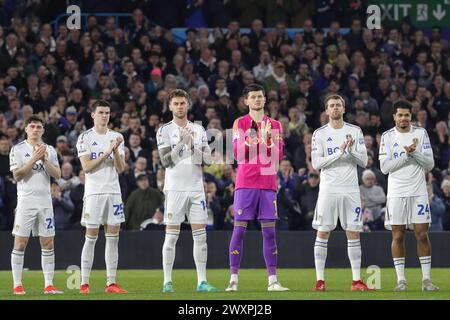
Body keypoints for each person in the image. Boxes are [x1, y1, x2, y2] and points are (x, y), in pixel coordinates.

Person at [226, 83, 288, 292]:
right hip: (246, 182)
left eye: (260, 96)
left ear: (264, 99)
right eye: (253, 97)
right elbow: (237, 152)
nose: (257, 100)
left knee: (269, 233)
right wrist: (262, 142)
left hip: (268, 182)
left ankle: (272, 280)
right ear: (246, 101)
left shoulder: (275, 125)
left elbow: (278, 155)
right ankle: (233, 279)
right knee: (239, 231)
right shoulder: (240, 123)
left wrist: (260, 141)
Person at [156, 89, 218, 293]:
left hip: (195, 189)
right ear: (170, 106)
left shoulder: (198, 130)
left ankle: (202, 281)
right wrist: (182, 142)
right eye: (176, 103)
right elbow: (166, 162)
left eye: (183, 103)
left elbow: (207, 160)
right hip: (174, 189)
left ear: (188, 105)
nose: (180, 106)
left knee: (200, 237)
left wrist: (191, 144)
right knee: (171, 237)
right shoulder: (164, 130)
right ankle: (167, 282)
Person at [311, 94, 372, 291]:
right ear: (326, 110)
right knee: (323, 231)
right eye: (332, 105)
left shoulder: (355, 131)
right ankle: (320, 281)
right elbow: (316, 163)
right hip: (329, 190)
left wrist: (350, 150)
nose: (335, 108)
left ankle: (356, 281)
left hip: (351, 189)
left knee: (353, 232)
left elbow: (364, 162)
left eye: (338, 105)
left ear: (344, 109)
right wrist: (339, 152)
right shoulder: (319, 134)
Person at [379, 100, 439, 291]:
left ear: (410, 116)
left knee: (422, 234)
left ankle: (426, 280)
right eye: (400, 115)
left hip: (418, 192)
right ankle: (401, 280)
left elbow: (429, 164)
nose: (403, 118)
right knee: (398, 235)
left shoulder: (421, 134)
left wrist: (414, 154)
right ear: (394, 117)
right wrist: (406, 156)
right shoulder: (387, 137)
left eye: (406, 115)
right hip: (396, 193)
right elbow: (384, 167)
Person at [76, 100, 127, 294]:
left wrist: (115, 151)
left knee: (113, 238)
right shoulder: (85, 137)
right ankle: (84, 283)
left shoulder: (117, 137)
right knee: (91, 238)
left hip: (113, 192)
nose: (104, 116)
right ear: (93, 115)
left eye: (107, 112)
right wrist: (106, 152)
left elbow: (121, 168)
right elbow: (87, 167)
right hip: (94, 193)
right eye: (101, 112)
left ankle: (111, 283)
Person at [9, 114, 63, 295]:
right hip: (26, 202)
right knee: (21, 242)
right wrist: (34, 158)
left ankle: (49, 285)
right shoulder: (17, 149)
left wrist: (44, 159)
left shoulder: (50, 150)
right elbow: (17, 176)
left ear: (43, 130)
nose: (35, 130)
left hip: (45, 202)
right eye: (32, 126)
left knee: (48, 243)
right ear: (26, 129)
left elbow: (57, 174)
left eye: (38, 127)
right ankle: (17, 285)